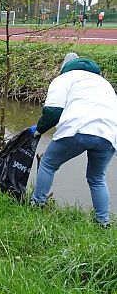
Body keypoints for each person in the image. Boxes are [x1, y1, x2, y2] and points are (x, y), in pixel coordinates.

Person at [29, 53, 117, 228]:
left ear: (65, 68)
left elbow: (53, 112)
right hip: (109, 133)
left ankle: (36, 204)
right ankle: (103, 223)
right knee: (97, 177)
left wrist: (38, 131)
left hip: (78, 128)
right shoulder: (104, 83)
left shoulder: (64, 79)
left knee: (48, 164)